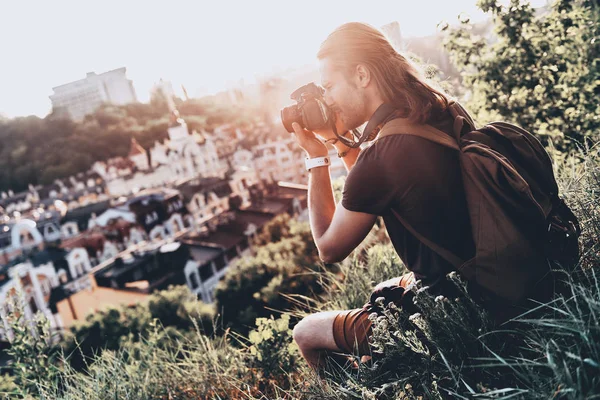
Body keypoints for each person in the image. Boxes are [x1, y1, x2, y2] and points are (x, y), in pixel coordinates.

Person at [289, 22, 476, 372]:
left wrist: (316, 156)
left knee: (305, 332)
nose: (327, 99)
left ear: (361, 75)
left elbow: (329, 248)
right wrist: (339, 140)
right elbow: (375, 178)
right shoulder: (440, 108)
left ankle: (364, 390)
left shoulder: (385, 152)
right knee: (383, 290)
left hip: (453, 304)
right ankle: (384, 364)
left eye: (329, 86)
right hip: (484, 272)